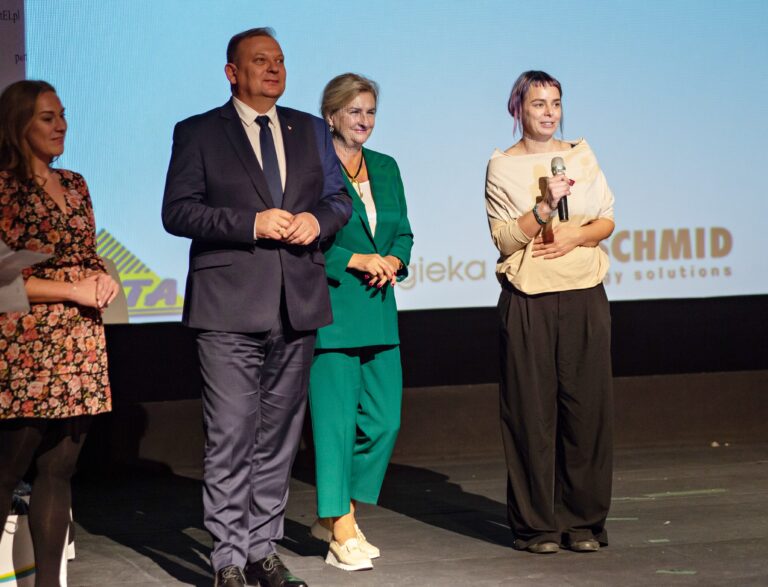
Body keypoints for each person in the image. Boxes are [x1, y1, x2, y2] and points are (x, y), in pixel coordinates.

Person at [161, 28, 352, 587]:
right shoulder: (199, 132)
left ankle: (261, 549)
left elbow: (338, 199)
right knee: (231, 435)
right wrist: (251, 224)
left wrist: (318, 221)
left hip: (297, 305)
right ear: (232, 72)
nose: (274, 69)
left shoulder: (310, 129)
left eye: (280, 60)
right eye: (260, 60)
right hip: (227, 307)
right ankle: (227, 559)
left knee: (278, 438)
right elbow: (178, 212)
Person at [484, 71, 615, 555]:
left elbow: (606, 219)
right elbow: (504, 239)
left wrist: (578, 234)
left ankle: (584, 522)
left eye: (555, 103)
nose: (549, 112)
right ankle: (536, 526)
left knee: (586, 412)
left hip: (584, 294)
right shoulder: (502, 167)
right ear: (517, 108)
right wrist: (544, 207)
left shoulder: (580, 154)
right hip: (529, 300)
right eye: (538, 103)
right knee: (531, 415)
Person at [0, 80, 119, 587]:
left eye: (63, 115)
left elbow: (86, 255)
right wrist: (72, 290)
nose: (61, 126)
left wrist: (104, 278)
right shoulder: (4, 187)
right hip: (27, 342)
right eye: (47, 118)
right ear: (18, 124)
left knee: (60, 467)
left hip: (79, 341)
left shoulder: (74, 183)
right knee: (9, 469)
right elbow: (3, 275)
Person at [307, 73, 413, 572]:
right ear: (331, 117)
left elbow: (403, 232)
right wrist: (354, 260)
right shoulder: (312, 169)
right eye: (354, 111)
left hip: (379, 309)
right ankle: (342, 528)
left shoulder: (386, 166)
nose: (364, 120)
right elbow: (305, 240)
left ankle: (334, 512)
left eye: (370, 111)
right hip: (331, 311)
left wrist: (393, 259)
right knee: (334, 427)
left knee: (385, 421)